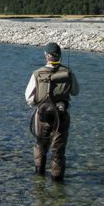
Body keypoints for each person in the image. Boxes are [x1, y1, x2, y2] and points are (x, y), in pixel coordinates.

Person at [25, 42, 79, 181]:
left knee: (40, 145)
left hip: (42, 115)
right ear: (59, 56)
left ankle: (39, 178)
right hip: (61, 116)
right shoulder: (68, 72)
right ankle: (57, 183)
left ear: (46, 56)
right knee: (58, 151)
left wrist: (38, 105)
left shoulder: (37, 73)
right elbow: (75, 92)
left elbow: (29, 98)